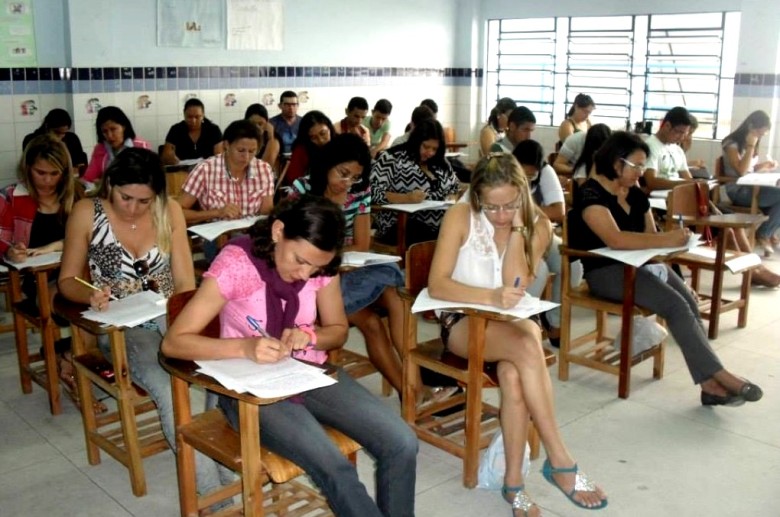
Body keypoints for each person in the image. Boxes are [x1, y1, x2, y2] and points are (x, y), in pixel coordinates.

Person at [160, 195, 418, 517]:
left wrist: (310, 335)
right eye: (299, 260)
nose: (306, 273)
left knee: (402, 442)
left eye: (317, 267)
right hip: (248, 390)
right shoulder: (239, 264)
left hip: (307, 372)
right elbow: (174, 343)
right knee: (336, 469)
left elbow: (337, 330)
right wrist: (245, 347)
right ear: (278, 231)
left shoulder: (319, 266)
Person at [428, 153, 608, 515]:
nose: (499, 214)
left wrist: (518, 228)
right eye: (490, 207)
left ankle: (514, 485)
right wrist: (489, 296)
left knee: (514, 376)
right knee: (529, 341)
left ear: (523, 195)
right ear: (476, 196)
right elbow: (437, 284)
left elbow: (517, 280)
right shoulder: (461, 216)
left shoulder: (535, 223)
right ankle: (560, 459)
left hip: (507, 325)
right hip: (464, 323)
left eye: (509, 204)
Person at [57, 147, 224, 498]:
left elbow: (184, 283)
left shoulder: (170, 210)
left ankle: (224, 465)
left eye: (143, 201)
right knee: (166, 388)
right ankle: (211, 498)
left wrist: (184, 324)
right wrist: (89, 295)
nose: (132, 207)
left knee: (218, 373)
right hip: (122, 327)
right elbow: (68, 280)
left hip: (168, 314)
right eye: (125, 197)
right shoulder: (87, 212)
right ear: (110, 184)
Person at [568, 131, 764, 407]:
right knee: (674, 306)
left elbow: (650, 235)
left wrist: (674, 258)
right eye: (636, 165)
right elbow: (616, 239)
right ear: (616, 164)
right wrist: (664, 240)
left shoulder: (635, 193)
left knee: (688, 303)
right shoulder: (590, 194)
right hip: (606, 272)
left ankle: (709, 385)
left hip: (642, 264)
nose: (641, 172)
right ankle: (720, 375)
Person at [1, 134, 83, 406]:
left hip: (79, 275)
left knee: (100, 303)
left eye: (54, 174)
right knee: (74, 303)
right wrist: (9, 251)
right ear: (27, 169)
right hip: (37, 283)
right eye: (40, 173)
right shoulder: (12, 198)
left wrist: (54, 246)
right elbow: (2, 240)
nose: (47, 180)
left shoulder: (76, 194)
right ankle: (68, 356)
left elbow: (92, 236)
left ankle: (69, 355)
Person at [512, 140, 579, 348]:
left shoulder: (545, 171)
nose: (527, 179)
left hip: (539, 232)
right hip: (512, 237)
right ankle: (517, 326)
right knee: (538, 271)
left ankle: (553, 321)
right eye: (523, 174)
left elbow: (557, 212)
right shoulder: (501, 175)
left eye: (531, 176)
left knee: (572, 264)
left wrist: (531, 213)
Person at [371, 119, 460, 246]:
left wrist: (452, 198)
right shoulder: (392, 158)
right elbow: (373, 192)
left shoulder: (440, 161)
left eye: (434, 149)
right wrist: (406, 198)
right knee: (437, 235)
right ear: (416, 141)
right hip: (401, 224)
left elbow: (455, 186)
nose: (430, 153)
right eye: (426, 147)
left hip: (440, 223)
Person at [178, 120, 274, 225]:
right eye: (241, 150)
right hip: (216, 237)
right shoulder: (205, 169)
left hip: (250, 235)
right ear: (227, 145)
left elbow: (266, 213)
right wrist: (217, 213)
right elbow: (177, 212)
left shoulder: (264, 169)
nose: (246, 157)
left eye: (252, 151)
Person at [720, 110, 780, 257]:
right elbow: (741, 171)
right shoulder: (731, 143)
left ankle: (767, 233)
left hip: (751, 188)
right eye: (760, 133)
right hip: (738, 191)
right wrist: (750, 147)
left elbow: (749, 169)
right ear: (751, 126)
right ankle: (765, 234)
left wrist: (765, 165)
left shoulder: (750, 143)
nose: (760, 137)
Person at [82, 106, 151, 184]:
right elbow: (88, 179)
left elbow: (149, 178)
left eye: (113, 129)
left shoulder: (141, 146)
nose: (110, 135)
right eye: (105, 131)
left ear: (124, 127)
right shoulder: (100, 149)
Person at [642, 106, 693, 192]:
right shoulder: (650, 146)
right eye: (679, 132)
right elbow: (651, 182)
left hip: (677, 196)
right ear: (667, 126)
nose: (682, 138)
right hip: (659, 199)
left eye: (685, 134)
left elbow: (687, 178)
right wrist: (684, 184)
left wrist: (695, 184)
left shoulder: (678, 150)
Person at [161, 98, 223, 165]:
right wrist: (169, 158)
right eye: (189, 117)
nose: (193, 121)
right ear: (184, 114)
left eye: (197, 117)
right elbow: (165, 157)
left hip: (207, 171)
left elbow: (220, 157)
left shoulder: (213, 130)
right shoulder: (176, 130)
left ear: (203, 115)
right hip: (181, 171)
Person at [22, 108, 87, 172]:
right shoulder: (32, 140)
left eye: (64, 133)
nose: (60, 136)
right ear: (47, 127)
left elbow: (80, 164)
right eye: (57, 132)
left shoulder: (72, 138)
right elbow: (28, 166)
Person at [283, 110, 336, 188]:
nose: (320, 140)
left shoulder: (339, 143)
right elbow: (293, 180)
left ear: (329, 128)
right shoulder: (302, 150)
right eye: (314, 137)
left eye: (323, 133)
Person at [244, 103, 280, 169]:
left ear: (267, 123)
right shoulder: (242, 138)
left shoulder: (273, 140)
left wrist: (270, 139)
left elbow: (265, 167)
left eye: (260, 124)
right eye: (253, 124)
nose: (256, 128)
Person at [269, 90, 302, 155]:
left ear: (298, 106)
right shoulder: (272, 123)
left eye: (294, 104)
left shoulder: (304, 122)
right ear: (280, 106)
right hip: (278, 159)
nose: (291, 108)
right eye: (287, 105)